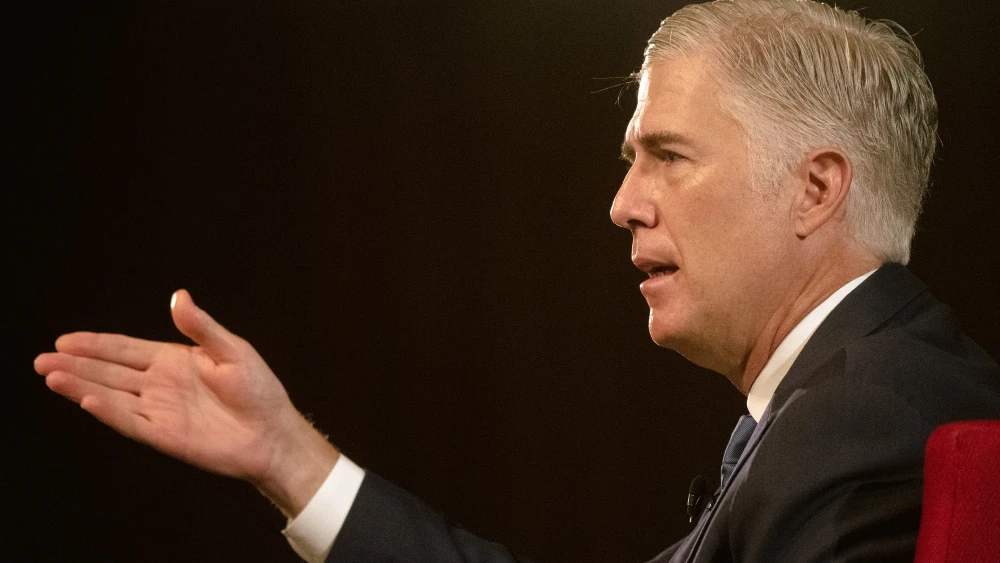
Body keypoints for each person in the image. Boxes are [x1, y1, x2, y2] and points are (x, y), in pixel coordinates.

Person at [33, 0, 1000, 561]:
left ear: (815, 188)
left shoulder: (860, 416)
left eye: (668, 155)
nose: (623, 203)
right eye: (633, 158)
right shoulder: (848, 390)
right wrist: (292, 460)